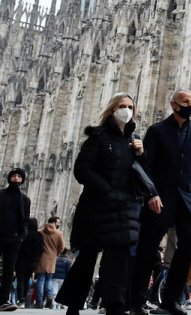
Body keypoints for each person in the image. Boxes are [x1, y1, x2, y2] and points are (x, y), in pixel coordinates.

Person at [56, 92, 159, 315]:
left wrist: (141, 154)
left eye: (130, 106)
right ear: (112, 109)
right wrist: (106, 190)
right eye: (122, 106)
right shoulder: (98, 137)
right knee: (88, 257)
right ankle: (74, 304)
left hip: (124, 209)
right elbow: (81, 170)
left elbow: (142, 174)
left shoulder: (134, 141)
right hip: (97, 207)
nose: (127, 110)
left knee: (119, 260)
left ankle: (115, 305)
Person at [130, 89, 191, 315]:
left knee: (187, 245)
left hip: (187, 200)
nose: (189, 105)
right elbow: (146, 166)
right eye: (185, 101)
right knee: (148, 249)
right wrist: (151, 194)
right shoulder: (157, 131)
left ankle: (170, 301)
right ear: (173, 104)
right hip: (159, 198)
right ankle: (136, 301)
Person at [0, 167, 31, 312]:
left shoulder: (25, 199)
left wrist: (22, 235)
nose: (16, 178)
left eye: (19, 176)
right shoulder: (1, 194)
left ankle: (3, 300)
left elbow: (25, 219)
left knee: (8, 271)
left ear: (22, 180)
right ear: (9, 178)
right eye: (14, 176)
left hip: (13, 239)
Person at [36, 217, 66, 308]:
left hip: (41, 258)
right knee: (48, 279)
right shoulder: (59, 233)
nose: (58, 224)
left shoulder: (40, 232)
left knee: (40, 280)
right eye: (58, 222)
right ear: (53, 222)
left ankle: (39, 302)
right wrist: (56, 253)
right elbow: (62, 247)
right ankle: (49, 295)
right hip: (52, 258)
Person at [14, 218, 42, 307]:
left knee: (20, 280)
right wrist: (36, 258)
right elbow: (41, 249)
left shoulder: (24, 234)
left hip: (21, 260)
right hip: (32, 262)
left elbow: (18, 247)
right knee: (26, 280)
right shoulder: (39, 235)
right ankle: (24, 299)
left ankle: (20, 298)